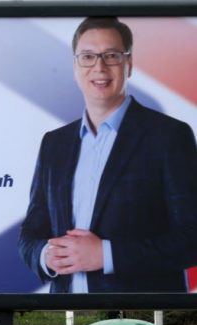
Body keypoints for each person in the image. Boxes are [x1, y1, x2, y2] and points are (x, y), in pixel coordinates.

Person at [19, 17, 197, 293]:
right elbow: (30, 234)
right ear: (75, 66)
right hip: (65, 310)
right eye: (88, 56)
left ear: (129, 64)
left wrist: (106, 255)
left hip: (140, 311)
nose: (99, 67)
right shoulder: (54, 144)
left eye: (111, 55)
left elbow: (191, 239)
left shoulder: (169, 136)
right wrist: (46, 255)